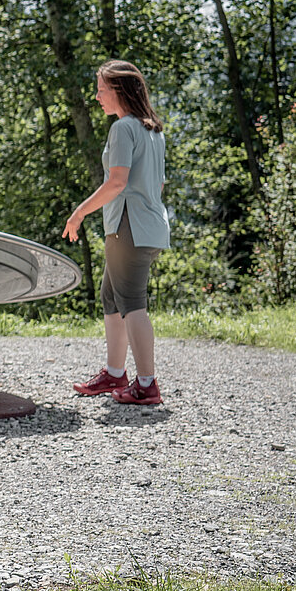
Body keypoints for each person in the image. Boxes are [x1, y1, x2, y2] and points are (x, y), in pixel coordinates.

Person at [63, 59, 171, 407]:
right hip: (147, 226)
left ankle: (146, 384)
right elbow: (159, 183)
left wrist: (79, 212)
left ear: (119, 91)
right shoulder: (153, 130)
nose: (96, 96)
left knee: (131, 304)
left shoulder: (123, 128)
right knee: (112, 298)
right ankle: (114, 373)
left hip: (130, 227)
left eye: (101, 89)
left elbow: (117, 182)